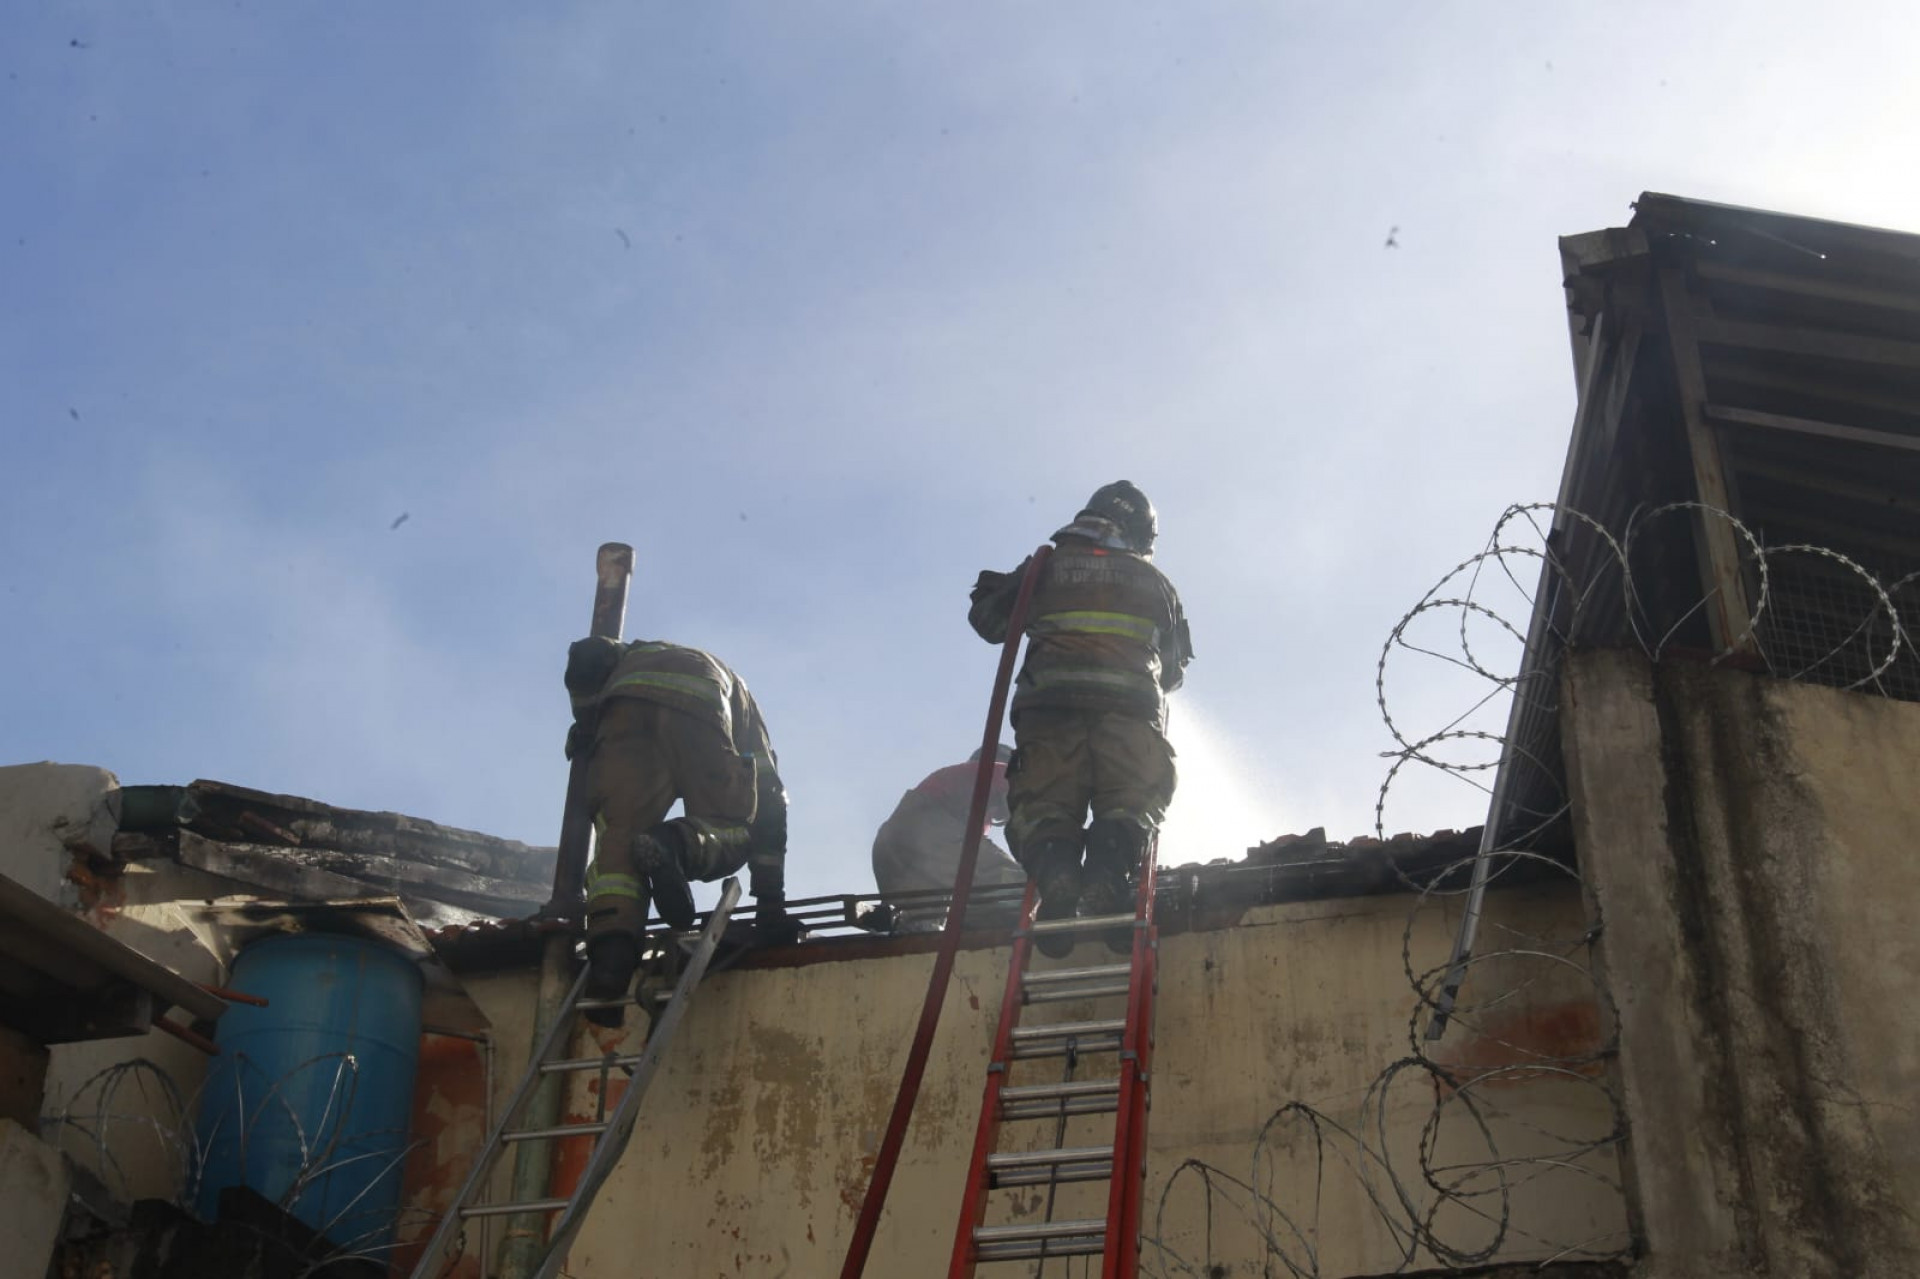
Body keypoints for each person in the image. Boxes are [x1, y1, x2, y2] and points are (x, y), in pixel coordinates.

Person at [967, 481, 1193, 955]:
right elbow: (1173, 673)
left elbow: (989, 622)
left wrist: (996, 588)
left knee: (1044, 805)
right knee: (1132, 798)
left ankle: (1059, 879)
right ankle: (1107, 878)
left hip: (1049, 709)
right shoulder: (1158, 584)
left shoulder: (1045, 567)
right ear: (1141, 533)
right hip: (1129, 712)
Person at [563, 638, 797, 1007]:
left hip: (623, 705)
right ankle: (674, 845)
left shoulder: (628, 660)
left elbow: (589, 656)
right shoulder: (737, 693)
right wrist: (771, 902)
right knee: (734, 824)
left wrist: (587, 723)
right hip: (701, 699)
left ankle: (612, 959)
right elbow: (769, 797)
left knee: (618, 835)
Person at [871, 746, 1025, 930]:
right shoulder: (997, 771)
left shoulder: (959, 786)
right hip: (929, 832)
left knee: (922, 923)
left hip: (890, 848)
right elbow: (1026, 790)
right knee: (1019, 883)